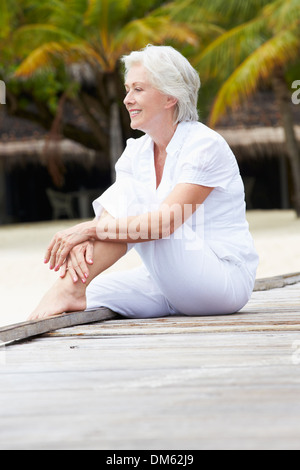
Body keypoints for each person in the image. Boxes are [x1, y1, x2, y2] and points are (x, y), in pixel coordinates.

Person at [29, 44, 259, 321]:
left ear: (169, 97)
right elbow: (110, 223)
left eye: (138, 89)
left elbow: (165, 223)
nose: (127, 99)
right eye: (127, 89)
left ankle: (67, 289)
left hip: (221, 282)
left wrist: (87, 229)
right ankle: (67, 291)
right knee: (92, 294)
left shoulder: (204, 145)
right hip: (167, 282)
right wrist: (90, 235)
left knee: (133, 201)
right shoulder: (135, 153)